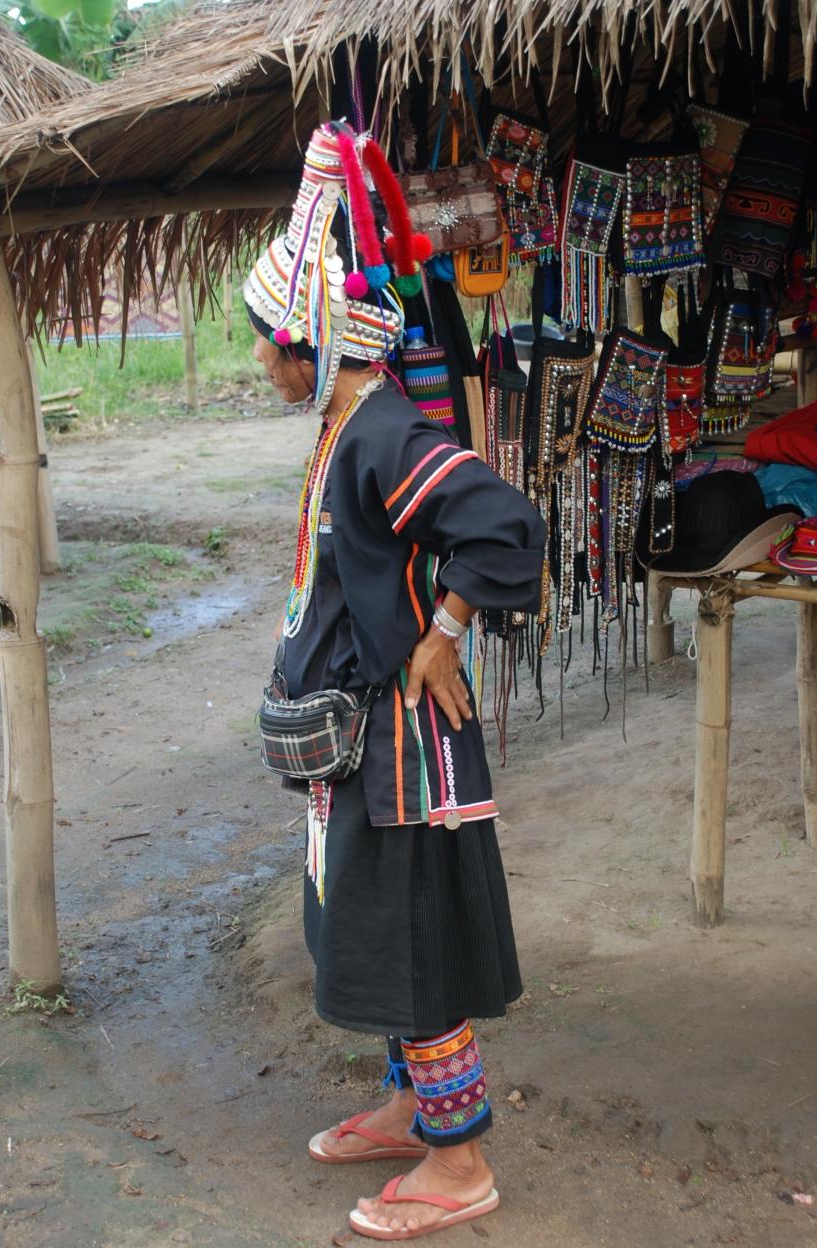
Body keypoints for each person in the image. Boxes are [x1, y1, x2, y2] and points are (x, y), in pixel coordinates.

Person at [245, 122, 545, 1242]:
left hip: (401, 756)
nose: (261, 364)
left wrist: (445, 630)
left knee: (408, 941)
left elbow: (505, 523)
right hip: (355, 752)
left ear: (311, 345)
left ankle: (458, 1159)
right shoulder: (345, 432)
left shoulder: (384, 437)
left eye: (267, 345)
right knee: (366, 931)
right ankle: (409, 1107)